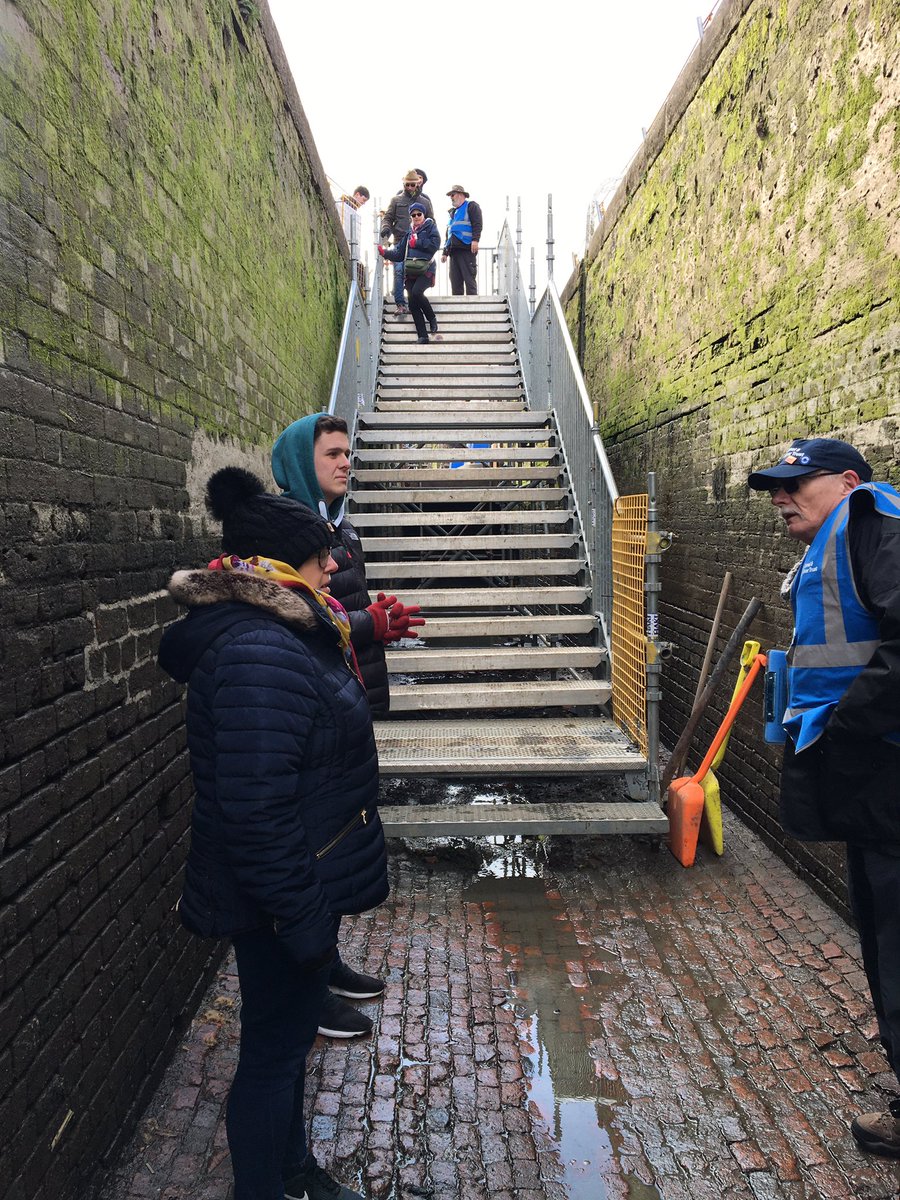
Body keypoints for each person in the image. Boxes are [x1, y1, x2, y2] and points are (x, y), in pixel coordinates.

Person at [158, 466, 389, 1200]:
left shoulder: (278, 628)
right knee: (270, 1056)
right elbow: (255, 809)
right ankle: (268, 1183)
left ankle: (292, 1171)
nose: (336, 565)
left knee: (285, 1049)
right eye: (324, 557)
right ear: (283, 568)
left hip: (291, 888)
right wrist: (305, 918)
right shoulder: (261, 649)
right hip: (284, 897)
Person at [748, 437, 900, 1157]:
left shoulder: (873, 522)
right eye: (774, 486)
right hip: (870, 776)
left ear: (847, 481)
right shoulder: (840, 539)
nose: (780, 496)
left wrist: (845, 726)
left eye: (794, 483)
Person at [272, 413, 424, 1038]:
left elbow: (338, 604)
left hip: (342, 696)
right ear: (299, 462)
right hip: (310, 709)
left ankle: (325, 964)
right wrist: (369, 626)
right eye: (332, 454)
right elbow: (298, 616)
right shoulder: (287, 529)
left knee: (333, 839)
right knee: (310, 848)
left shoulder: (340, 527)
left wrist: (372, 611)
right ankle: (305, 994)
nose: (345, 462)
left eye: (346, 453)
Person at [378, 201, 441, 344]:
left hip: (426, 269)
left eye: (419, 214)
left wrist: (417, 243)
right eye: (413, 215)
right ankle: (423, 336)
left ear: (423, 215)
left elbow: (435, 245)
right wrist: (385, 253)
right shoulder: (408, 233)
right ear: (410, 217)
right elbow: (399, 253)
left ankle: (431, 318)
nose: (416, 217)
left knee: (417, 292)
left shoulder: (430, 227)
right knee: (412, 303)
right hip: (411, 271)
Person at [380, 170, 434, 312]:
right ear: (404, 183)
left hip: (417, 244)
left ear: (417, 184)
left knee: (415, 272)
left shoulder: (425, 202)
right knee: (399, 271)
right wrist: (386, 228)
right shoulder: (396, 200)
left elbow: (431, 222)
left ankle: (414, 303)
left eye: (412, 185)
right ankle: (400, 304)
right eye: (407, 184)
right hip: (399, 241)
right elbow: (388, 218)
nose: (409, 187)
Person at [441, 184, 483, 296]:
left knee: (469, 280)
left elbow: (477, 223)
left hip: (466, 249)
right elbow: (449, 233)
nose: (451, 197)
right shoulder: (453, 213)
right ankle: (458, 310)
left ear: (460, 195)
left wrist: (475, 240)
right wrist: (445, 251)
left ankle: (473, 309)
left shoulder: (471, 206)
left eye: (452, 195)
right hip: (454, 252)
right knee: (455, 282)